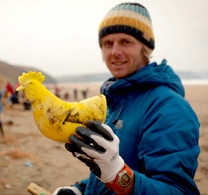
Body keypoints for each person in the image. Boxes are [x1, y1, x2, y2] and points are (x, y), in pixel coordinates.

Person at [53, 2, 200, 195]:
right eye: (107, 43)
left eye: (126, 42)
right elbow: (112, 167)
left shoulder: (170, 107)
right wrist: (80, 190)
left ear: (145, 48)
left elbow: (179, 191)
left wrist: (118, 175)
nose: (114, 52)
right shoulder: (114, 102)